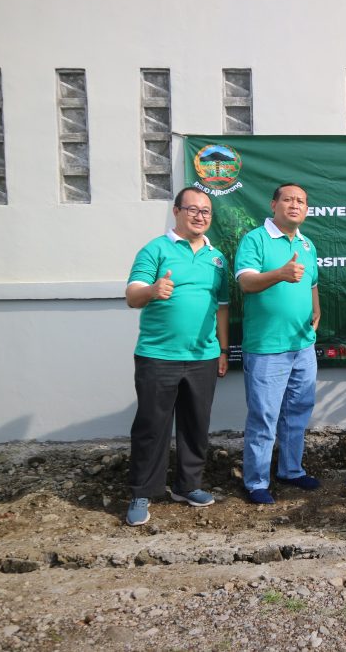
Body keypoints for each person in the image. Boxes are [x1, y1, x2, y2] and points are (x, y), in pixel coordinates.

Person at [124, 187, 230, 526]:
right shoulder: (155, 249)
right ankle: (143, 490)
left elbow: (222, 308)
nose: (200, 216)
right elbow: (131, 295)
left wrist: (223, 350)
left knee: (196, 425)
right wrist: (153, 291)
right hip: (158, 355)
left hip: (204, 356)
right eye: (193, 209)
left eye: (206, 211)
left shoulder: (217, 258)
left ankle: (188, 485)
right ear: (176, 211)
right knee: (152, 427)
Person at [235, 183, 322, 504]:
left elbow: (312, 283)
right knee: (264, 416)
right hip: (266, 347)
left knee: (297, 412)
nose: (295, 205)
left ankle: (291, 470)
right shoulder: (255, 239)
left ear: (306, 209)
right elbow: (245, 282)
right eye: (288, 199)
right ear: (274, 205)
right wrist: (280, 273)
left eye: (301, 200)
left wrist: (317, 309)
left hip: (302, 345)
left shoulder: (307, 244)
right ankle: (256, 482)